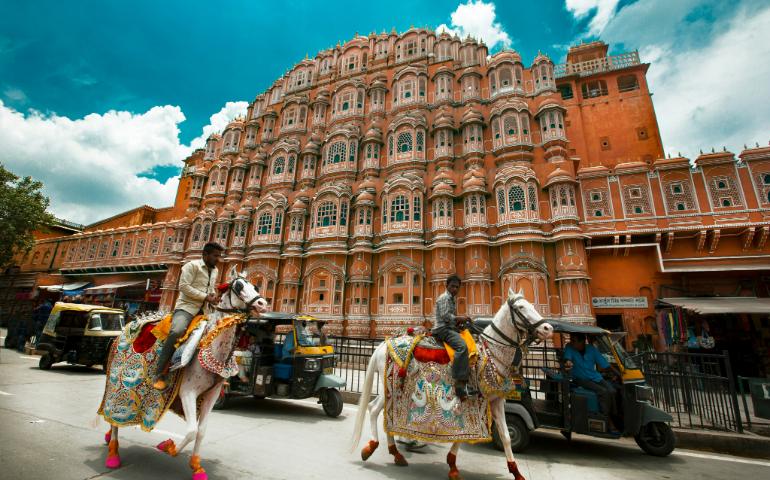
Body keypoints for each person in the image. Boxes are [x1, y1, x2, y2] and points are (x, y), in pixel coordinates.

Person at [152, 242, 224, 389]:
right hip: (186, 308)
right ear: (205, 254)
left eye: (219, 256)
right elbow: (183, 287)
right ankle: (159, 373)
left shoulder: (215, 271)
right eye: (215, 256)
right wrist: (205, 297)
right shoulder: (191, 266)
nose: (218, 259)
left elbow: (209, 291)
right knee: (177, 331)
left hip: (205, 311)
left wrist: (214, 298)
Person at [563, 334, 619, 430]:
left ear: (582, 342)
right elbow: (567, 359)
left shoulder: (591, 349)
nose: (572, 342)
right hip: (580, 378)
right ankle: (606, 419)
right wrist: (568, 362)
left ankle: (614, 415)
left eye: (574, 340)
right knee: (603, 391)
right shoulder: (569, 347)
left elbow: (604, 364)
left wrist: (618, 374)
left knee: (612, 391)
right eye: (571, 340)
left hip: (595, 376)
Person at [432, 274, 472, 399]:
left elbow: (451, 319)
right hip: (442, 329)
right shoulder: (444, 298)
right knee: (462, 346)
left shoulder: (451, 299)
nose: (455, 289)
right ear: (447, 286)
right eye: (453, 286)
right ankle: (459, 383)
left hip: (449, 328)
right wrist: (459, 318)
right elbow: (445, 316)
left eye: (457, 287)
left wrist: (460, 323)